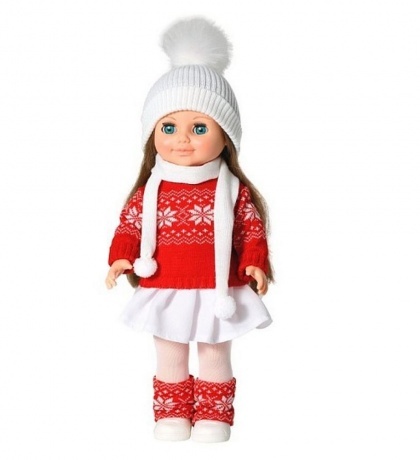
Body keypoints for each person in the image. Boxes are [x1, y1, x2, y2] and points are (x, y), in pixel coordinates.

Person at [105, 17, 273, 443]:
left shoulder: (230, 190)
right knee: (169, 353)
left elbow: (250, 230)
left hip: (218, 290)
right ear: (152, 134)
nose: (182, 139)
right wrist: (121, 256)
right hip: (166, 285)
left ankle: (215, 418)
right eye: (169, 127)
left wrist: (255, 262)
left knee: (215, 354)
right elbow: (129, 225)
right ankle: (172, 415)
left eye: (199, 128)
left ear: (226, 137)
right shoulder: (151, 190)